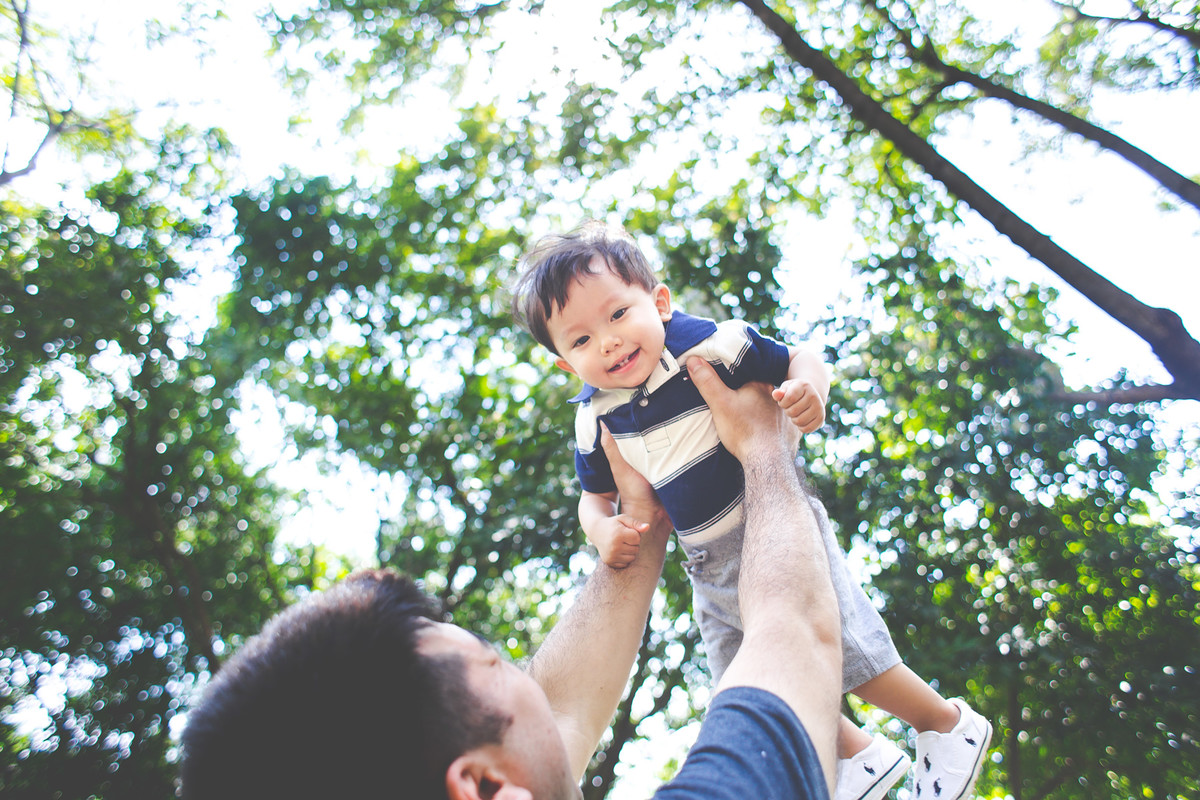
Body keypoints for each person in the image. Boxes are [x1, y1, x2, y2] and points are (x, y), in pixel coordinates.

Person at [179, 362, 841, 799]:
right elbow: (795, 634)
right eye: (497, 664)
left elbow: (555, 717)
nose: (529, 681)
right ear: (483, 786)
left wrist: (641, 527)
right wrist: (763, 449)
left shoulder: (498, 762)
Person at [510, 220, 991, 800]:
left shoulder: (710, 346)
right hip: (704, 564)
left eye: (617, 315)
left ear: (660, 304)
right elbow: (595, 497)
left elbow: (799, 357)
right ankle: (857, 757)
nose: (607, 342)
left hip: (771, 525)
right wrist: (601, 529)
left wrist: (809, 391)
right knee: (741, 677)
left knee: (843, 648)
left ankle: (944, 725)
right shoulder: (594, 417)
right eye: (580, 340)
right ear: (564, 363)